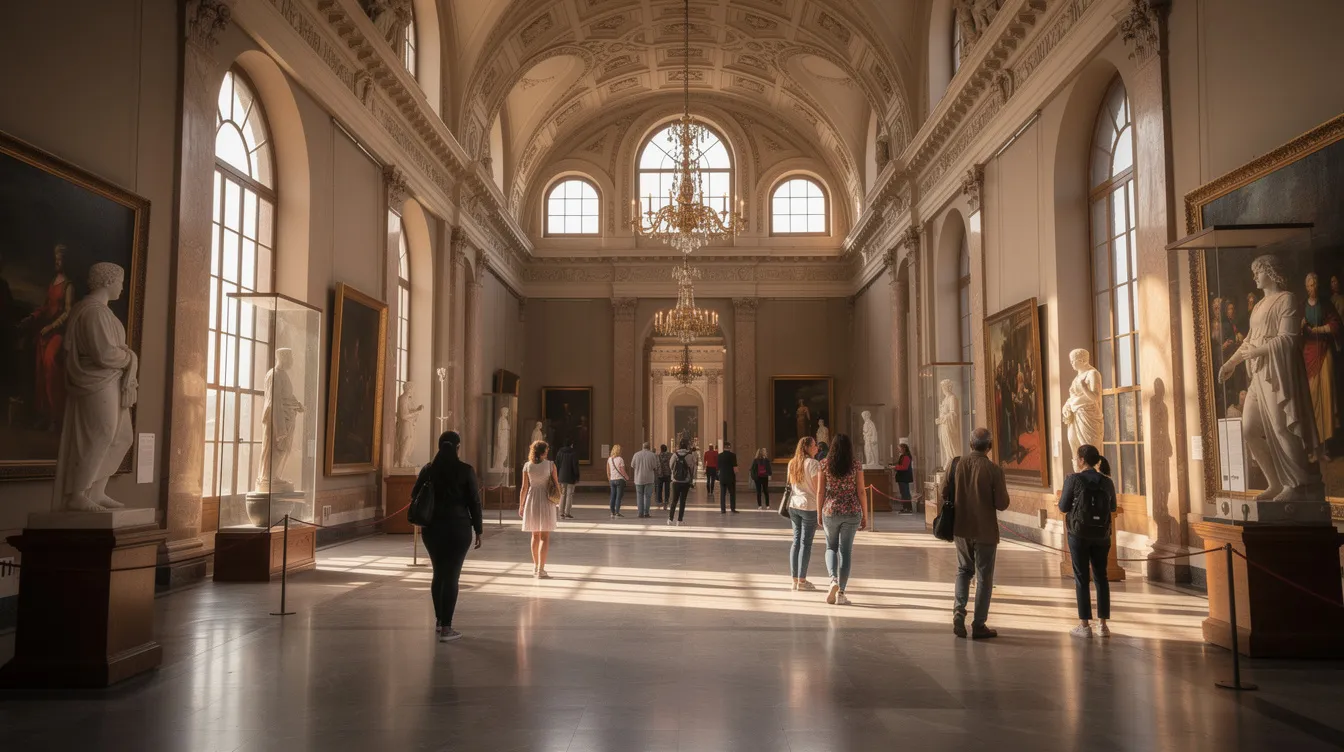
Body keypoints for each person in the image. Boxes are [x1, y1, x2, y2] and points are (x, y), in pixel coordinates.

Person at [413, 431, 484, 643]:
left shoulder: (429, 470)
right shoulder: (465, 471)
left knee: (438, 573)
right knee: (452, 575)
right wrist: (478, 529)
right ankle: (447, 627)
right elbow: (475, 502)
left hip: (432, 528)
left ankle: (439, 620)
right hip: (458, 528)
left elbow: (414, 494)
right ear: (457, 447)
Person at [947, 427, 1010, 639]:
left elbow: (943, 493)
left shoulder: (956, 464)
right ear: (989, 446)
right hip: (984, 531)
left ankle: (958, 611)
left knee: (963, 570)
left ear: (970, 444)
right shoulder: (994, 470)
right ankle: (979, 624)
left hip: (961, 527)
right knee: (984, 577)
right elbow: (1002, 504)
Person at [1058, 444, 1118, 639]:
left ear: (1082, 459)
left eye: (1077, 458)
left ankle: (1084, 625)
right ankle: (1103, 625)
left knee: (1082, 578)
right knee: (1102, 577)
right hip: (1102, 535)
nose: (1076, 461)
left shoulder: (1074, 479)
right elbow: (1113, 507)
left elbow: (1063, 507)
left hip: (1079, 534)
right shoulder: (1107, 481)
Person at [818, 434, 866, 605]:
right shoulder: (855, 465)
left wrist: (818, 513)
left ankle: (833, 580)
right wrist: (865, 515)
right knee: (845, 552)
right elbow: (861, 491)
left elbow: (820, 492)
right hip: (852, 510)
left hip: (830, 510)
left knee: (830, 547)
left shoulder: (824, 464)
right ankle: (842, 594)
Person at [520, 440, 560, 578]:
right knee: (544, 536)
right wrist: (558, 500)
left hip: (532, 499)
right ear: (544, 451)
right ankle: (541, 570)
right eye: (547, 450)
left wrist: (521, 505)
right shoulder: (550, 465)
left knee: (534, 535)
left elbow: (524, 487)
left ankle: (535, 566)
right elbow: (556, 483)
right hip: (546, 500)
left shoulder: (527, 466)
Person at [787, 436, 822, 591]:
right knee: (805, 544)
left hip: (794, 504)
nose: (817, 448)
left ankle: (794, 579)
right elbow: (817, 489)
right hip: (809, 506)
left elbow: (790, 484)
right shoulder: (813, 464)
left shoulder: (792, 463)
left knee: (796, 541)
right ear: (807, 447)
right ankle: (802, 580)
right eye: (814, 445)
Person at [667, 439, 696, 525]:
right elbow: (693, 468)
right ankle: (679, 520)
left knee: (674, 500)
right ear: (687, 446)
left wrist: (674, 473)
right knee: (683, 501)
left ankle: (670, 519)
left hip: (676, 481)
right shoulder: (690, 456)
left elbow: (671, 466)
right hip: (686, 481)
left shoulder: (674, 455)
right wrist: (692, 478)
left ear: (679, 446)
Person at [631, 442, 659, 518]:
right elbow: (654, 466)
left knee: (639, 496)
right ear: (649, 447)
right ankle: (646, 513)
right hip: (649, 479)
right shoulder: (652, 455)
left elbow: (632, 465)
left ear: (642, 447)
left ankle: (640, 513)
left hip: (638, 478)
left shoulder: (636, 454)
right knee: (647, 496)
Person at [554, 440, 579, 519]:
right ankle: (567, 512)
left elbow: (556, 465)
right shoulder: (573, 453)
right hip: (571, 477)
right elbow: (575, 466)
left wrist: (557, 475)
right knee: (569, 495)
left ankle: (561, 512)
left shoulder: (559, 453)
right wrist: (577, 476)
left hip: (561, 477)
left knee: (562, 494)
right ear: (571, 445)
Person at [607, 444, 629, 518]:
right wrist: (627, 477)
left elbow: (608, 471)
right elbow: (622, 470)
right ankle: (617, 512)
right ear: (619, 451)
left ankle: (612, 512)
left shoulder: (609, 459)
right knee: (618, 497)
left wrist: (609, 479)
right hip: (620, 480)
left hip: (612, 480)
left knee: (612, 496)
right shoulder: (620, 459)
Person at [717, 441, 739, 513]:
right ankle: (733, 509)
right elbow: (735, 467)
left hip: (722, 477)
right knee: (732, 494)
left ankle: (723, 510)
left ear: (723, 447)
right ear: (730, 447)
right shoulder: (733, 455)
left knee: (722, 494)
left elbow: (718, 467)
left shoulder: (719, 456)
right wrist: (737, 475)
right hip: (731, 477)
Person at [893, 442, 914, 513]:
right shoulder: (902, 456)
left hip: (904, 477)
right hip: (902, 477)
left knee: (905, 493)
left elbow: (904, 467)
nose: (899, 450)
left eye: (899, 448)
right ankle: (905, 507)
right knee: (903, 493)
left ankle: (908, 508)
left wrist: (895, 467)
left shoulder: (906, 456)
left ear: (903, 449)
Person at [655, 443, 672, 510]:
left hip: (660, 474)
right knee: (667, 488)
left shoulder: (658, 456)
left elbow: (656, 465)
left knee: (659, 488)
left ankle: (659, 500)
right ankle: (666, 500)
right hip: (668, 474)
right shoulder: (670, 455)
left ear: (661, 449)